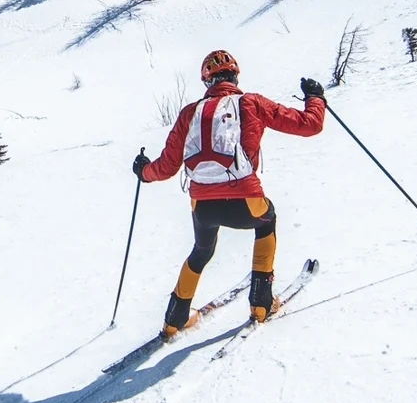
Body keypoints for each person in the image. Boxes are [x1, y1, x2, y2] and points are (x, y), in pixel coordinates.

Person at [132, 49, 326, 338]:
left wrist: (144, 172)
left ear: (207, 80)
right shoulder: (250, 103)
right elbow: (310, 125)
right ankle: (261, 304)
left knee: (201, 252)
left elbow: (167, 166)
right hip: (246, 200)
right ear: (234, 76)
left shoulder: (190, 113)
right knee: (266, 222)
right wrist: (315, 98)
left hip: (203, 206)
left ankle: (174, 321)